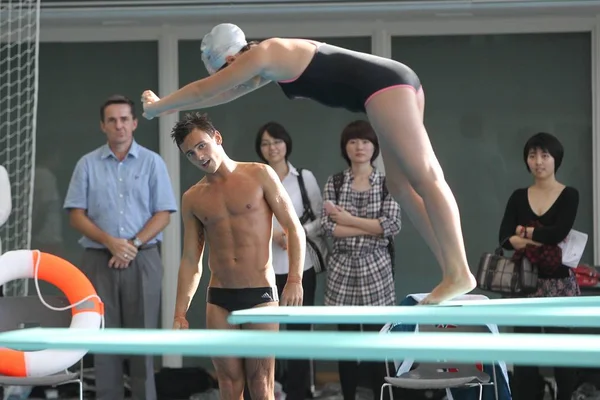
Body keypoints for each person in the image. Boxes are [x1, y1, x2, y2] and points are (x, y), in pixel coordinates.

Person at [140, 23, 476, 305]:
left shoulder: (265, 53)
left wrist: (159, 106)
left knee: (425, 175)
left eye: (227, 72)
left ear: (230, 58)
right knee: (402, 187)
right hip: (387, 87)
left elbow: (205, 89)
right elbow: (221, 93)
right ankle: (452, 271)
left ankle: (459, 270)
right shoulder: (266, 65)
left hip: (386, 87)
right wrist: (170, 108)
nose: (231, 79)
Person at [170, 112, 305, 400]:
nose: (199, 156)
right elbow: (191, 261)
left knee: (261, 385)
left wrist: (294, 278)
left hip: (260, 296)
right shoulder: (193, 198)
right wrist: (180, 312)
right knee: (229, 387)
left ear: (217, 138)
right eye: (190, 153)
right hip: (219, 298)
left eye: (202, 145)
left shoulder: (259, 174)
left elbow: (294, 228)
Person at [64, 94, 178, 400]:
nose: (119, 126)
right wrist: (112, 243)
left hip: (144, 260)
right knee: (103, 342)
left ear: (135, 123)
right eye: (112, 120)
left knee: (142, 342)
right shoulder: (87, 164)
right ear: (103, 126)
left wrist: (132, 246)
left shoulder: (153, 162)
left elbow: (164, 213)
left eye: (125, 119)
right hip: (98, 261)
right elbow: (76, 214)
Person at [321, 120, 400, 400]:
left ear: (375, 147)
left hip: (376, 266)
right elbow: (328, 228)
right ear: (345, 147)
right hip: (342, 268)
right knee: (346, 341)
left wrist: (349, 220)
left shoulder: (388, 182)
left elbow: (391, 225)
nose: (359, 147)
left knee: (379, 341)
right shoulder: (336, 181)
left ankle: (380, 395)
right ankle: (349, 396)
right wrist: (369, 226)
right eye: (353, 141)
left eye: (365, 141)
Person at [498, 132, 580, 400]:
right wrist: (526, 236)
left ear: (556, 159)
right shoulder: (518, 196)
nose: (538, 161)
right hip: (525, 282)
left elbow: (558, 233)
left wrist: (524, 233)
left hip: (559, 283)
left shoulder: (569, 194)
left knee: (562, 352)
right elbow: (504, 238)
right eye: (532, 155)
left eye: (545, 155)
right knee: (525, 352)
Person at [255, 121, 322, 400]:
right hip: (265, 269)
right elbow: (250, 219)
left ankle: (301, 393)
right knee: (266, 335)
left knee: (299, 333)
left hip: (300, 267)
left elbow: (321, 219)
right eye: (266, 143)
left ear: (287, 144)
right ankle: (269, 391)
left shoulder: (303, 178)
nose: (272, 148)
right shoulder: (255, 177)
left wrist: (297, 234)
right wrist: (275, 236)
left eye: (277, 141)